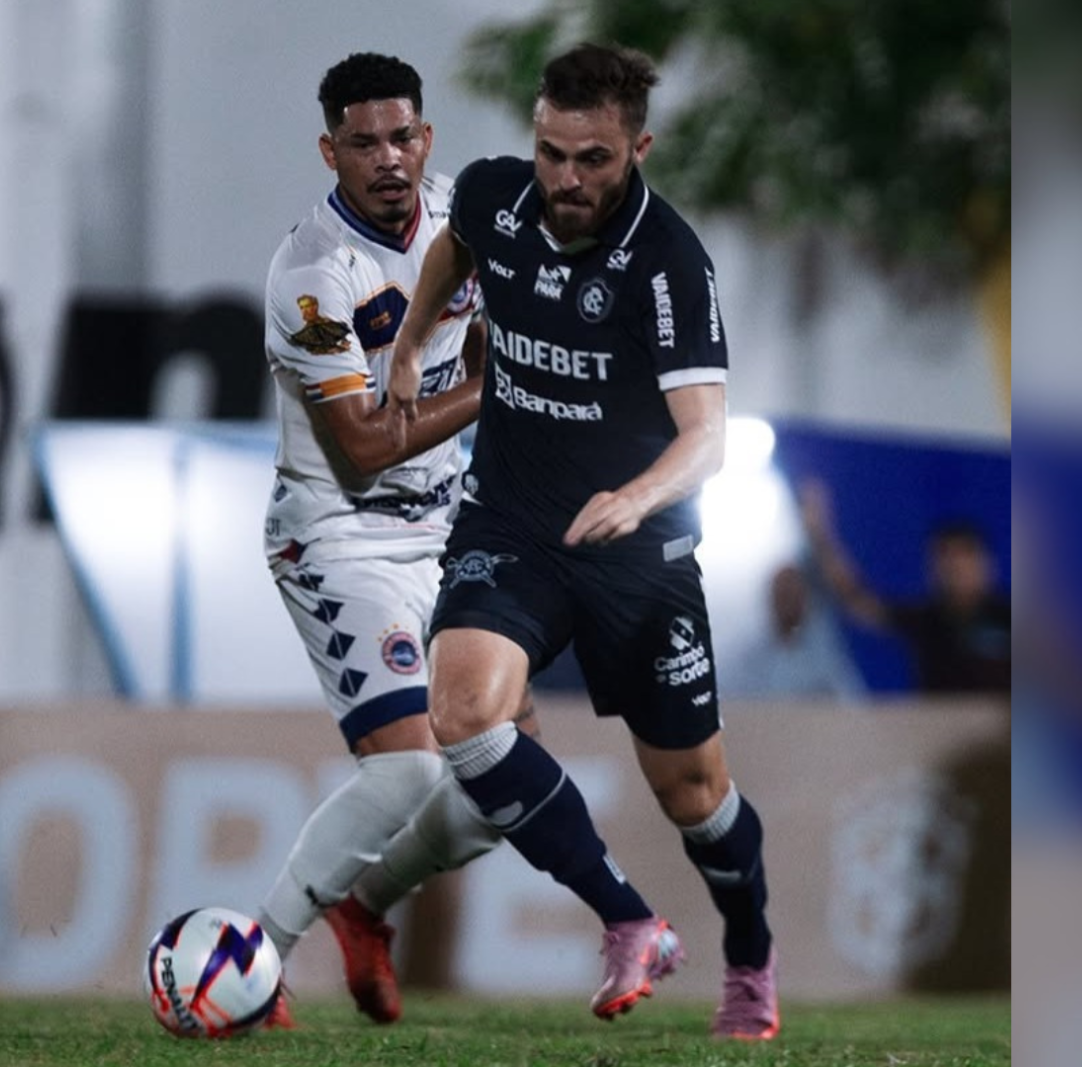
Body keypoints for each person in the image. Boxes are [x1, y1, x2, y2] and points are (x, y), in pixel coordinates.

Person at [388, 44, 778, 1041]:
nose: (565, 179)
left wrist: (635, 496)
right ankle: (627, 917)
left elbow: (708, 436)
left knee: (694, 795)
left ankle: (747, 957)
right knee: (464, 710)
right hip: (511, 523)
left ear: (637, 147)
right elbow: (455, 247)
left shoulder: (668, 264)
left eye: (592, 159)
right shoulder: (493, 195)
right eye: (551, 152)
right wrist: (408, 347)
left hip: (635, 557)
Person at [258, 52, 532, 1027]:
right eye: (363, 142)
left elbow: (527, 318)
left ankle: (365, 907)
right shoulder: (309, 276)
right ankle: (255, 958)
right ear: (330, 151)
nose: (387, 158)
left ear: (427, 138)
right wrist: (496, 381)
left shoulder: (470, 217)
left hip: (447, 528)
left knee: (510, 782)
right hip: (339, 532)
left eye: (402, 136)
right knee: (410, 764)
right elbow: (366, 449)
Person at [799, 479, 1012, 696]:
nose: (955, 570)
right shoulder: (926, 620)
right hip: (938, 727)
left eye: (964, 559)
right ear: (933, 569)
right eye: (946, 561)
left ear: (986, 565)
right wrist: (820, 536)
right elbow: (857, 600)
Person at [733, 561, 866, 701]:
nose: (787, 603)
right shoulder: (751, 654)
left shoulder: (826, 651)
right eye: (782, 595)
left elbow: (850, 698)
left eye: (792, 595)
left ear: (804, 599)